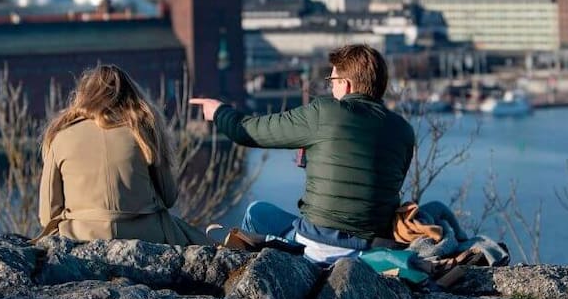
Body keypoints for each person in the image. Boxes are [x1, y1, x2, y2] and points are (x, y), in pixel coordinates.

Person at [190, 44, 415, 263]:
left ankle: (258, 278)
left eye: (332, 81)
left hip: (320, 245)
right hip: (372, 250)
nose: (331, 88)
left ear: (346, 85)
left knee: (256, 212)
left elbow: (248, 131)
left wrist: (218, 112)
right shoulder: (404, 130)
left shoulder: (325, 113)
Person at [38, 64, 208, 245]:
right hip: (146, 234)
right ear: (132, 96)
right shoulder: (144, 131)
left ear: (84, 96)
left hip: (79, 234)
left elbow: (47, 214)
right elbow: (168, 197)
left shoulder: (61, 136)